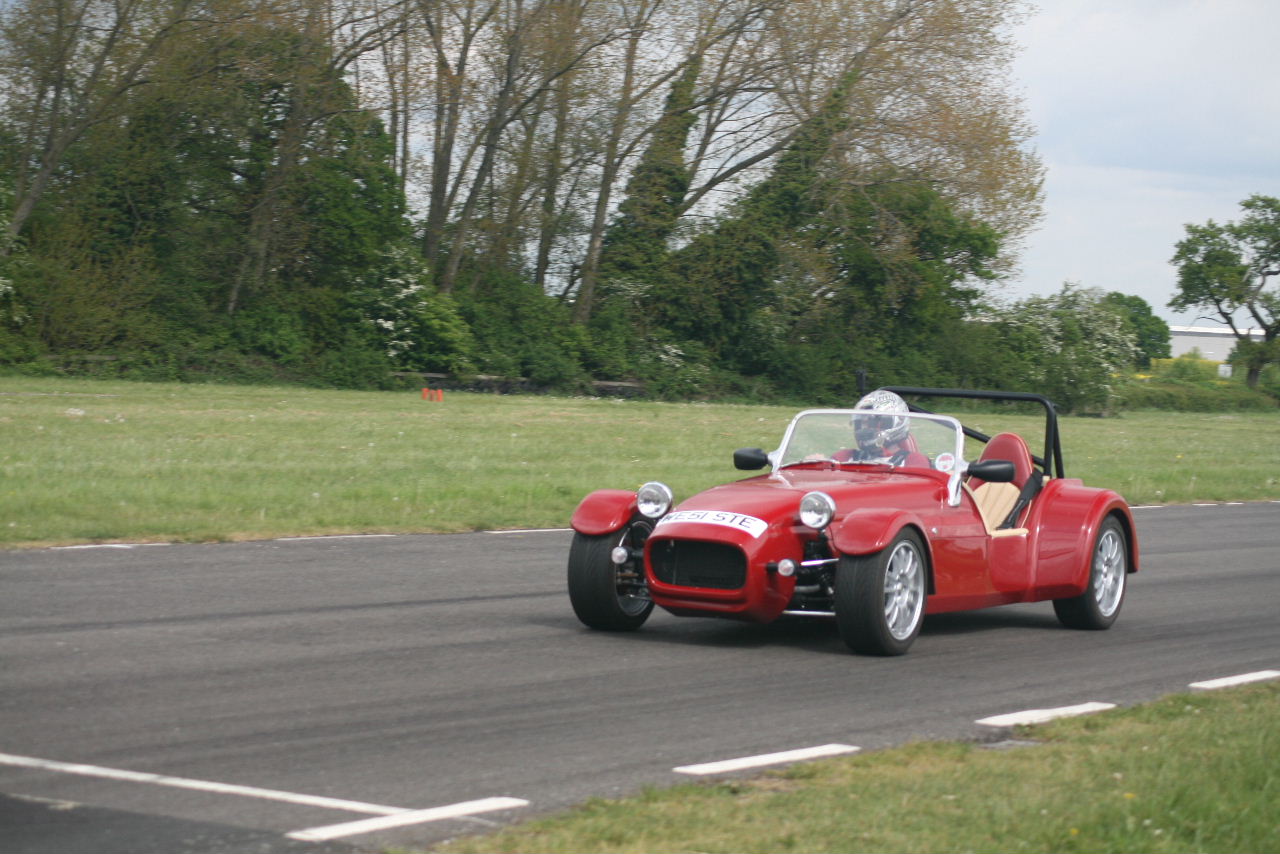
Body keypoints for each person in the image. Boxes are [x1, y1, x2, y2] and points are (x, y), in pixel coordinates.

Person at [838, 389, 927, 466]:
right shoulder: (846, 457)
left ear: (894, 422)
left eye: (871, 423)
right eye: (860, 424)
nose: (863, 430)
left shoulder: (912, 461)